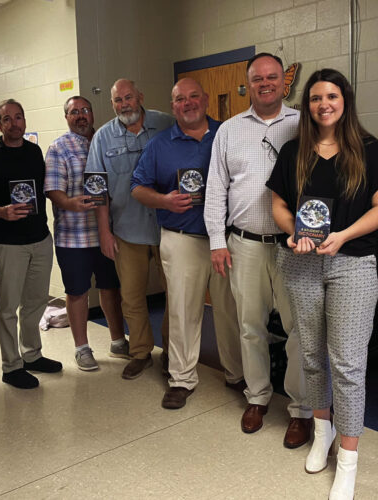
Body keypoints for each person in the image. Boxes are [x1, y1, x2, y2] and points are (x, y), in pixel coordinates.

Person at [267, 69, 378, 499]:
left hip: (352, 263)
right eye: (316, 97)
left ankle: (349, 458)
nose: (324, 104)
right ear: (307, 105)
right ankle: (322, 432)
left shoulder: (368, 149)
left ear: (345, 101)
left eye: (332, 96)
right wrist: (292, 233)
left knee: (348, 364)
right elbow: (279, 204)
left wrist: (343, 235)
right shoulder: (293, 151)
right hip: (301, 263)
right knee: (312, 354)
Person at [204, 53, 312, 448]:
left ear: (284, 82)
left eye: (272, 77)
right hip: (245, 244)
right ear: (247, 84)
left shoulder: (303, 124)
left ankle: (300, 409)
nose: (265, 84)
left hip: (293, 246)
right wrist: (218, 242)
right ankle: (258, 397)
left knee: (298, 330)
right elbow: (216, 188)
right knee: (250, 327)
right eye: (257, 79)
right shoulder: (229, 130)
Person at [131, 78, 244, 409]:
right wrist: (164, 200)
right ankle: (181, 378)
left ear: (205, 99)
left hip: (226, 239)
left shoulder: (228, 134)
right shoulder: (160, 144)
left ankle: (237, 374)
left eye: (194, 96)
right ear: (173, 106)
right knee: (182, 311)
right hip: (182, 239)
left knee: (231, 310)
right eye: (180, 99)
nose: (188, 103)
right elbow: (137, 187)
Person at [85, 79, 175, 380]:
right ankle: (140, 352)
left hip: (168, 228)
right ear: (112, 104)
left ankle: (172, 353)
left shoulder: (166, 124)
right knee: (132, 298)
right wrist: (104, 232)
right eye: (118, 100)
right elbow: (97, 189)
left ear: (140, 97)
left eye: (128, 98)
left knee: (175, 295)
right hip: (127, 230)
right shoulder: (102, 138)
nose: (124, 105)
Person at [0, 99, 63, 390]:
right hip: (9, 243)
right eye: (7, 119)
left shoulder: (35, 152)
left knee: (36, 302)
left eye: (19, 117)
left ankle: (32, 355)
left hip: (40, 238)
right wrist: (2, 212)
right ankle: (11, 366)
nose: (14, 123)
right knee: (8, 307)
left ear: (25, 120)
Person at [44, 96, 127, 371]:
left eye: (85, 110)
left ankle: (118, 342)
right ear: (66, 117)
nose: (81, 115)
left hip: (108, 233)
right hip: (73, 237)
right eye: (74, 112)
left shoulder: (106, 141)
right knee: (77, 292)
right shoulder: (59, 148)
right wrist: (70, 203)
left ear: (92, 113)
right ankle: (82, 349)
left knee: (111, 288)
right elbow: (53, 189)